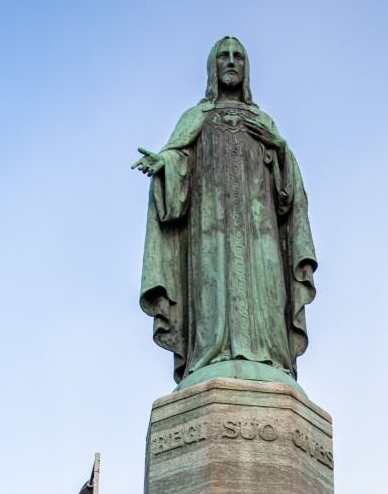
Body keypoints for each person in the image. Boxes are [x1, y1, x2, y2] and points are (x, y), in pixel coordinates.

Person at [134, 37, 317, 388]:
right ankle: (209, 356)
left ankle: (271, 358)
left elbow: (287, 197)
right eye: (223, 56)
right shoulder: (196, 117)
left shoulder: (263, 121)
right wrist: (165, 163)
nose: (231, 62)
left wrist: (278, 147)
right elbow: (178, 162)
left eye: (238, 57)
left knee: (265, 292)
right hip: (210, 231)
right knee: (211, 290)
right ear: (212, 67)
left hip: (259, 228)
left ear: (247, 69)